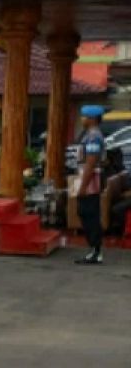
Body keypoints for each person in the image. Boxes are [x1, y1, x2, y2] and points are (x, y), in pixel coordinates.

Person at [75, 105, 107, 265]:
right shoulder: (89, 135)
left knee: (89, 214)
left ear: (92, 119)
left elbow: (91, 162)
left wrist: (82, 187)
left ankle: (96, 251)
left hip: (90, 182)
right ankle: (94, 249)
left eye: (84, 116)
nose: (82, 119)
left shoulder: (93, 136)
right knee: (86, 213)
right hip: (88, 180)